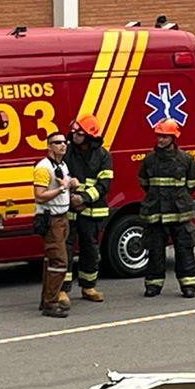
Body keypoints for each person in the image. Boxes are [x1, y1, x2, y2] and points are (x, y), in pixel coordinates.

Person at [140, 119, 195, 298]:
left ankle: (188, 284)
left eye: (165, 137)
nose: (161, 140)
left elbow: (193, 183)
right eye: (159, 136)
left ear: (173, 138)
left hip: (179, 213)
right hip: (156, 212)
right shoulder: (149, 160)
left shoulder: (185, 159)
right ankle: (153, 284)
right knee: (155, 250)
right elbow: (144, 182)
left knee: (184, 249)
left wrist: (178, 198)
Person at [64, 113, 113, 303]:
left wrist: (83, 198)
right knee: (65, 251)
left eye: (79, 132)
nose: (74, 135)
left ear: (89, 135)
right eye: (74, 131)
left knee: (90, 250)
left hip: (91, 211)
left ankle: (88, 287)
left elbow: (104, 185)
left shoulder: (103, 156)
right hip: (68, 210)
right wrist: (71, 199)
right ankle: (63, 290)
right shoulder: (67, 152)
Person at [32, 132, 72, 319]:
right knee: (59, 262)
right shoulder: (43, 168)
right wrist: (62, 188)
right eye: (57, 142)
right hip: (51, 219)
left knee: (51, 261)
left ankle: (46, 299)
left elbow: (64, 186)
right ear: (49, 146)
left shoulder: (61, 165)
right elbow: (39, 195)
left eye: (64, 142)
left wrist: (72, 184)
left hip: (62, 217)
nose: (63, 145)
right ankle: (51, 303)